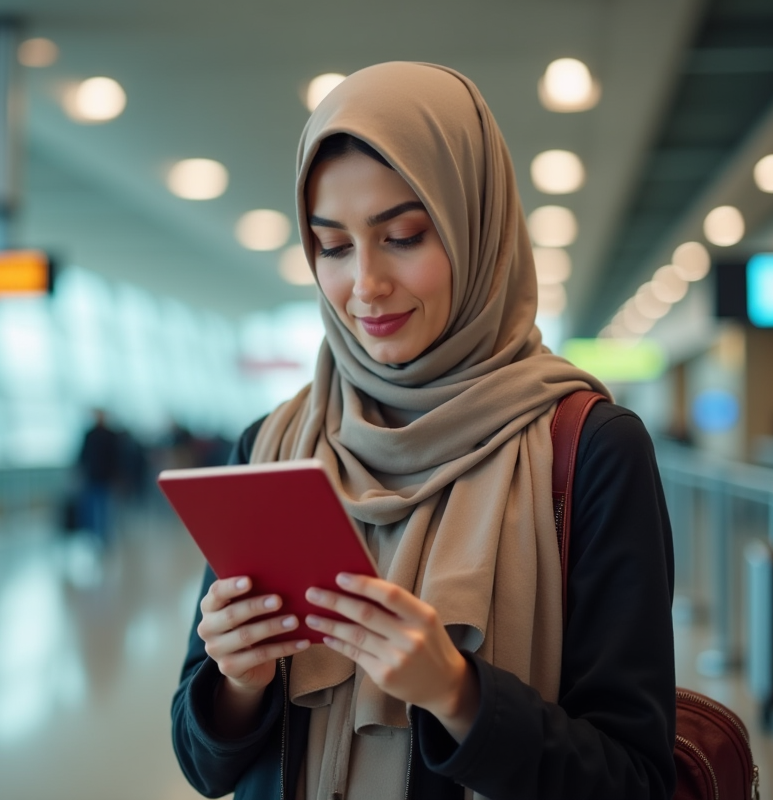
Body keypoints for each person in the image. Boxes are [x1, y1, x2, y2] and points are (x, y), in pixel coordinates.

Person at [171, 63, 676, 799]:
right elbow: (202, 764)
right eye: (333, 247)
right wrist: (237, 681)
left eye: (402, 236)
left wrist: (457, 694)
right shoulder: (272, 445)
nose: (365, 285)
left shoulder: (589, 448)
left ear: (478, 229)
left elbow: (635, 781)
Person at [77, 409, 121, 546]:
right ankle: (95, 534)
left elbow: (117, 458)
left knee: (106, 507)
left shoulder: (111, 435)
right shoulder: (89, 434)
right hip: (92, 476)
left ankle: (105, 534)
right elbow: (83, 454)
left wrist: (118, 475)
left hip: (106, 477)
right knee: (93, 507)